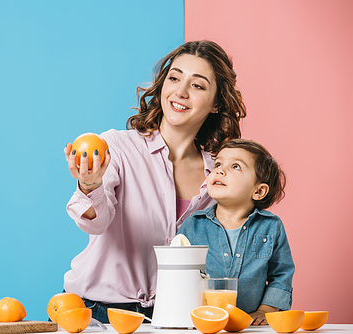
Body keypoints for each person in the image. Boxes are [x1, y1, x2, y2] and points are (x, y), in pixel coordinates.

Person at [63, 40, 247, 323]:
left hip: (175, 316)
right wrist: (90, 184)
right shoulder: (117, 147)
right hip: (98, 313)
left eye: (198, 85)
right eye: (174, 78)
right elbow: (95, 223)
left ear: (216, 103)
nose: (181, 92)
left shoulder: (218, 175)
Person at [177, 139, 295, 325]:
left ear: (259, 191)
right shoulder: (193, 224)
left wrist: (266, 310)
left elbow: (281, 274)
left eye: (235, 166)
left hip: (250, 324)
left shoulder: (271, 227)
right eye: (218, 164)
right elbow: (178, 274)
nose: (220, 170)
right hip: (202, 322)